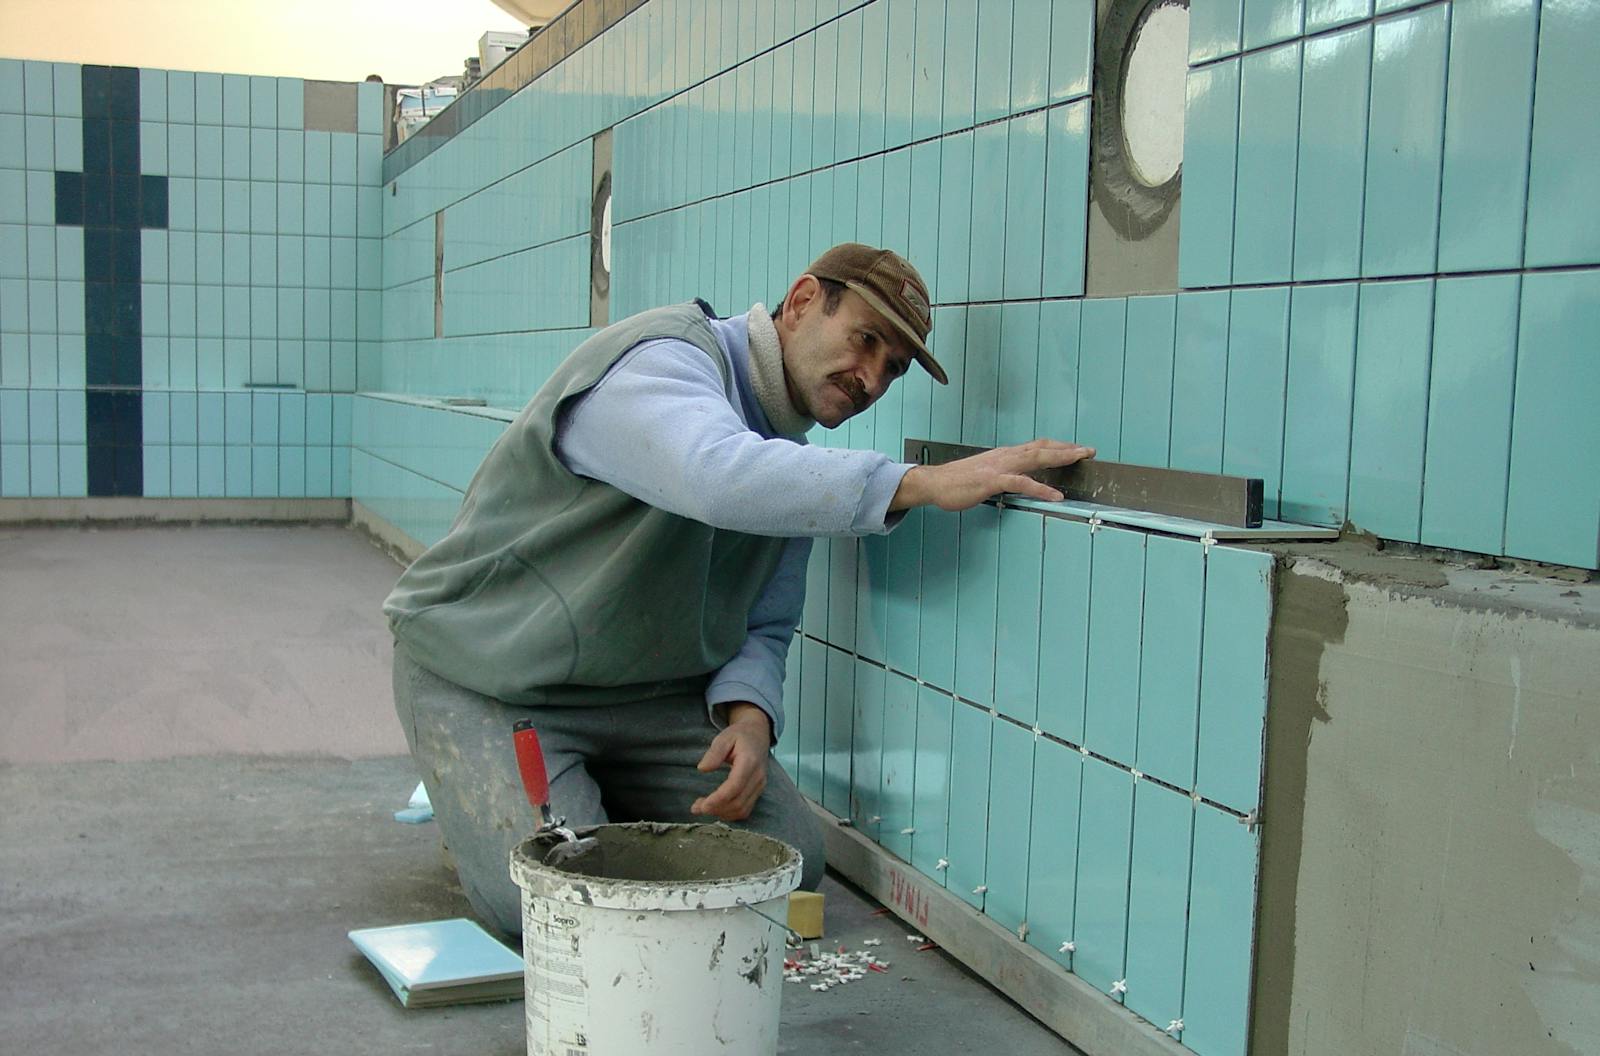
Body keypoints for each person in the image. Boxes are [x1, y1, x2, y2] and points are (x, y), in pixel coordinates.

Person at [383, 242, 1095, 936]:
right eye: (865, 339)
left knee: (788, 860)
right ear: (803, 300)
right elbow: (714, 476)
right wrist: (921, 483)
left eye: (892, 368)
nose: (872, 378)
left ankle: (587, 812)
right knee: (557, 900)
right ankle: (492, 811)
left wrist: (749, 723)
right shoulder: (660, 360)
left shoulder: (791, 469)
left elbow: (766, 623)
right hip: (493, 679)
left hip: (642, 704)